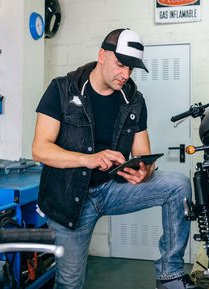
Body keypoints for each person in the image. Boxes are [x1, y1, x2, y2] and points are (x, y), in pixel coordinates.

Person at [32, 28, 195, 289]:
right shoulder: (61, 89)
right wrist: (89, 159)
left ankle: (170, 275)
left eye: (131, 69)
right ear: (101, 55)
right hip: (71, 199)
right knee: (70, 283)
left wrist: (146, 171)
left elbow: (143, 154)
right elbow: (40, 149)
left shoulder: (134, 100)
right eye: (121, 65)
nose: (125, 75)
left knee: (178, 185)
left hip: (112, 189)